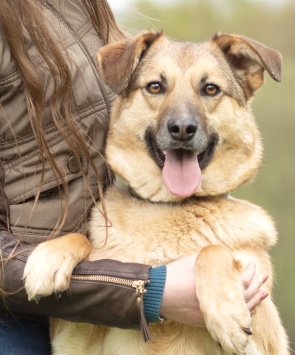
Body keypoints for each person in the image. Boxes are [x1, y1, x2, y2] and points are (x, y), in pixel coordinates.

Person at [0, 1, 268, 354]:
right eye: (157, 88)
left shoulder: (84, 7)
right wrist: (151, 288)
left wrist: (213, 265)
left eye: (210, 90)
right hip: (25, 295)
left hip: (91, 249)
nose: (183, 122)